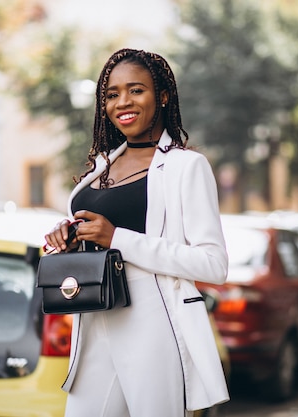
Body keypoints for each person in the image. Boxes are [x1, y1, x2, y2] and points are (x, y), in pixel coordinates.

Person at [43, 48, 229, 417]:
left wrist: (118, 238)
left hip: (154, 329)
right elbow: (94, 238)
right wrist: (66, 239)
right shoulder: (101, 167)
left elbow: (214, 265)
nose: (122, 102)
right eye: (112, 95)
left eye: (136, 90)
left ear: (162, 96)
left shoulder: (185, 167)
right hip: (94, 322)